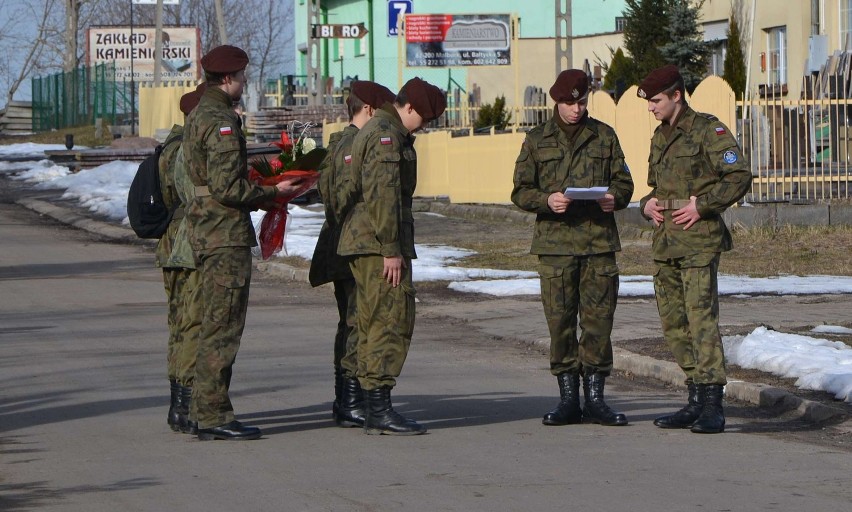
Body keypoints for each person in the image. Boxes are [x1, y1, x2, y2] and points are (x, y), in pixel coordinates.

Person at [182, 45, 304, 441]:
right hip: (222, 236)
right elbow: (227, 185)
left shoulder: (200, 113)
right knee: (223, 325)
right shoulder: (219, 119)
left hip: (207, 232)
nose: (245, 82)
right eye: (243, 76)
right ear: (229, 78)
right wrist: (273, 192)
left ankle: (203, 409)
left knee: (210, 322)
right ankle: (213, 414)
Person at [511, 69, 634, 427]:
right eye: (569, 103)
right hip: (555, 247)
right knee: (560, 324)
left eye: (581, 102)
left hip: (598, 244)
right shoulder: (537, 139)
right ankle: (568, 400)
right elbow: (520, 190)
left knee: (599, 323)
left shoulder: (604, 136)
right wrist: (547, 200)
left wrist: (616, 198)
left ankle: (595, 399)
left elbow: (623, 181)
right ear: (556, 101)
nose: (576, 109)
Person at [637, 65, 752, 434]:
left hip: (698, 240)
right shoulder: (659, 136)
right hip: (666, 241)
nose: (650, 108)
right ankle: (694, 398)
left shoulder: (707, 129)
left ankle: (713, 404)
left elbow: (738, 176)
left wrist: (703, 206)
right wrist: (646, 205)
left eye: (655, 101)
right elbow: (658, 187)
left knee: (701, 319)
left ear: (676, 95)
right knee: (673, 323)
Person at [336, 77, 446, 435]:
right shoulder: (386, 136)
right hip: (377, 243)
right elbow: (382, 196)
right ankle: (379, 408)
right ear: (409, 108)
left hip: (366, 240)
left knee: (370, 322)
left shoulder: (378, 129)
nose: (425, 128)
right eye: (424, 120)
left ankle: (371, 405)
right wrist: (391, 250)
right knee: (389, 320)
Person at [308, 80, 396, 428]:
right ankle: (351, 398)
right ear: (370, 110)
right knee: (358, 322)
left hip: (343, 243)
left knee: (353, 321)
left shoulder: (342, 143)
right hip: (352, 245)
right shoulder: (353, 145)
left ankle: (348, 398)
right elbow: (345, 199)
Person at [157, 83, 205, 435]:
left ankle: (178, 402)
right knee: (191, 324)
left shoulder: (168, 146)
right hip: (188, 246)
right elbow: (194, 198)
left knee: (179, 325)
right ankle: (185, 404)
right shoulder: (186, 148)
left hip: (171, 244)